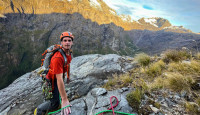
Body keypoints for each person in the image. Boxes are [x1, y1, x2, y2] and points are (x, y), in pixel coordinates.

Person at [35, 31, 74, 115]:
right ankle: (39, 110)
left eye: (69, 40)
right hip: (51, 80)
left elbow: (67, 64)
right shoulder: (58, 57)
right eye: (65, 40)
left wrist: (68, 76)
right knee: (55, 104)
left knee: (58, 96)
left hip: (56, 78)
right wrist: (64, 99)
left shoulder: (68, 52)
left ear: (72, 42)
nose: (67, 42)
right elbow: (59, 79)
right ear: (61, 42)